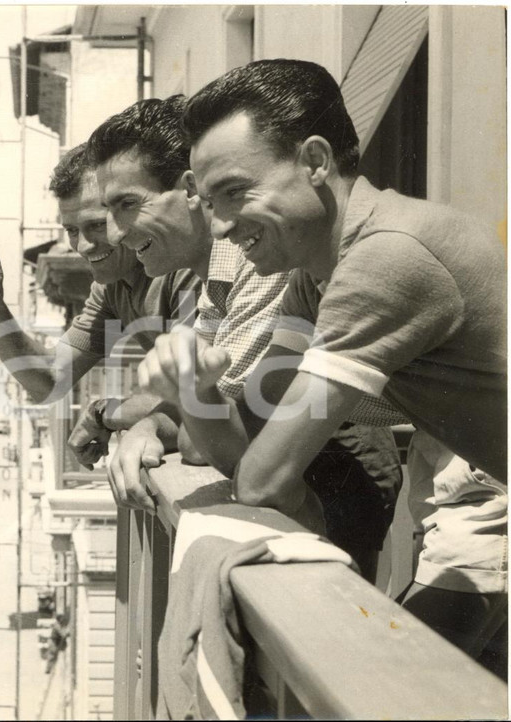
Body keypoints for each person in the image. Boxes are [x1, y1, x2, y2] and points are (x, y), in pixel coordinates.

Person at [139, 58, 506, 658]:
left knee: (392, 680)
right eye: (208, 203)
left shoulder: (386, 259)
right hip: (470, 491)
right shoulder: (316, 275)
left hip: (485, 502)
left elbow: (262, 480)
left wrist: (202, 406)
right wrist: (195, 394)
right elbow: (255, 435)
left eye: (235, 192)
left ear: (315, 162)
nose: (223, 227)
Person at [88, 95, 403, 580]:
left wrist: (163, 408)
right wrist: (150, 425)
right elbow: (202, 411)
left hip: (336, 469)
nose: (111, 234)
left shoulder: (265, 263)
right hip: (301, 472)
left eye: (127, 204)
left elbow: (210, 432)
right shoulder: (220, 273)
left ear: (191, 190)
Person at [0, 143, 201, 467]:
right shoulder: (110, 286)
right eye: (71, 230)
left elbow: (196, 397)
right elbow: (50, 382)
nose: (83, 246)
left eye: (96, 225)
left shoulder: (180, 265)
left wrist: (105, 413)